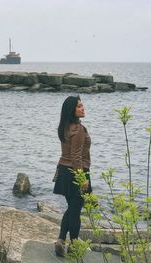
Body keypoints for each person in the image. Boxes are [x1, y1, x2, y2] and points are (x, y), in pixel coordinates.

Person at [53, 95, 92, 257]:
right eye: (79, 106)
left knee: (72, 209)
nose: (83, 108)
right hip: (77, 172)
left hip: (65, 170)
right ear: (72, 110)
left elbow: (67, 154)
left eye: (82, 105)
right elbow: (76, 157)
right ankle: (74, 247)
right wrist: (82, 179)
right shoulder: (78, 130)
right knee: (75, 211)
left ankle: (61, 241)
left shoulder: (65, 126)